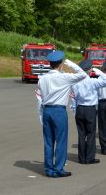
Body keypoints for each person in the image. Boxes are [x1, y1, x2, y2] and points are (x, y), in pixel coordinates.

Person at [35, 50, 88, 178]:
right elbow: (83, 75)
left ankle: (49, 169)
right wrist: (71, 64)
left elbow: (40, 95)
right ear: (60, 64)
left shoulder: (42, 79)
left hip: (47, 109)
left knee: (48, 141)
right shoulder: (65, 77)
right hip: (59, 110)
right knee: (61, 140)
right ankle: (58, 168)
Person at [70, 60, 106, 165]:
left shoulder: (75, 83)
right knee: (91, 134)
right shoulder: (92, 81)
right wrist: (100, 72)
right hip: (90, 109)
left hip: (80, 109)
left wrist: (75, 110)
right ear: (89, 70)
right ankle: (89, 158)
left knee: (81, 134)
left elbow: (73, 98)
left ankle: (81, 157)